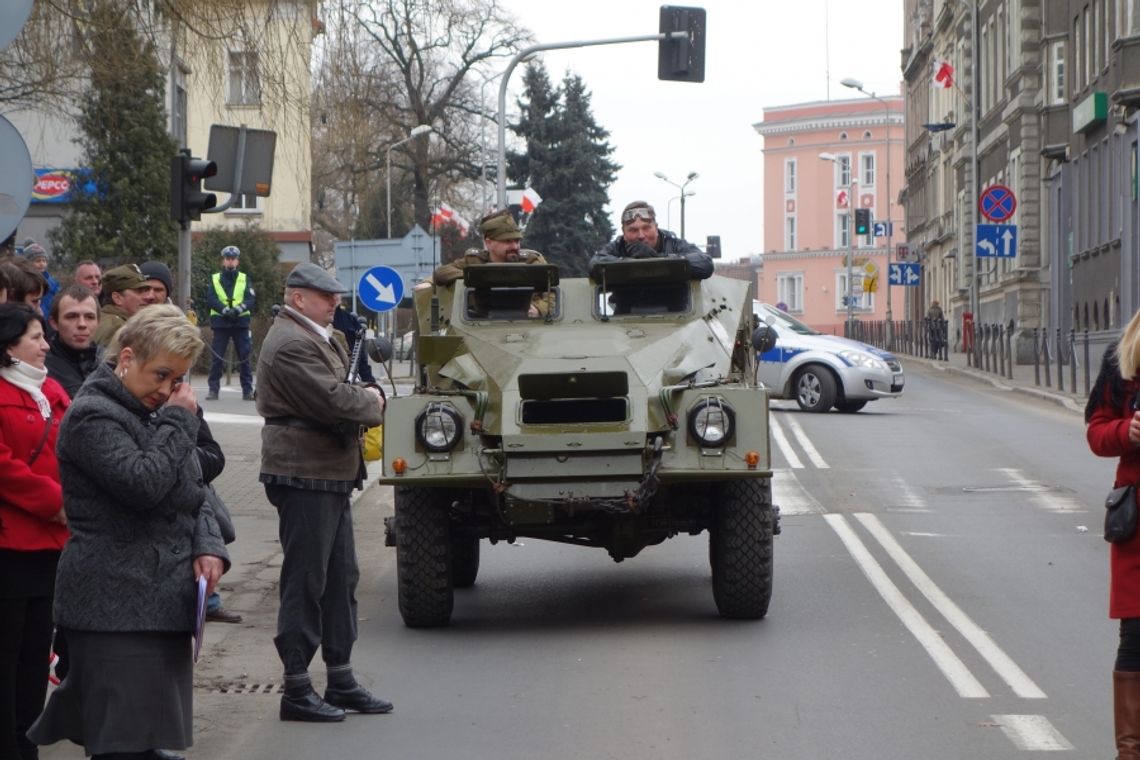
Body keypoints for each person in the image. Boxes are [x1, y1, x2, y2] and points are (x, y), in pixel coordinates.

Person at [28, 304, 229, 759]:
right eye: (160, 375)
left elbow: (194, 487)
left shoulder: (148, 411)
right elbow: (144, 484)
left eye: (177, 380)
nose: (167, 389)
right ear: (126, 358)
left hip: (162, 606)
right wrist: (181, 420)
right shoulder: (92, 415)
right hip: (112, 608)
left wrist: (209, 547)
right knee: (120, 747)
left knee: (151, 744)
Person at [256, 262, 388, 723]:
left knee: (340, 582)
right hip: (303, 471)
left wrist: (363, 394)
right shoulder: (291, 342)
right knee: (305, 583)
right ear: (297, 297)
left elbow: (345, 389)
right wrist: (373, 402)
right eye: (325, 295)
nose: (335, 302)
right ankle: (296, 687)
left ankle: (341, 679)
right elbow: (334, 400)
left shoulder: (320, 336)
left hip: (328, 470)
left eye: (334, 295)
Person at [0, 304, 69, 760]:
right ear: (9, 346)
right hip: (10, 546)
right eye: (35, 337)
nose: (46, 345)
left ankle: (27, 747)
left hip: (52, 548)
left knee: (33, 664)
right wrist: (55, 502)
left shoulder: (53, 390)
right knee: (6, 664)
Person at [1085, 313, 1140, 760]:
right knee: (1136, 637)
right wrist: (1128, 431)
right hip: (1137, 526)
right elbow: (1097, 431)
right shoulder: (1124, 356)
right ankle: (1130, 751)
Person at [430, 210, 553, 318]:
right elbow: (442, 273)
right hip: (482, 326)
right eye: (507, 241)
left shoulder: (532, 262)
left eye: (517, 241)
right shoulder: (475, 261)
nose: (515, 246)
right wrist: (476, 276)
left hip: (527, 327)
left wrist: (538, 309)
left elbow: (554, 294)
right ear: (489, 243)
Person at [588, 200, 714, 280]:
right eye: (633, 230)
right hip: (626, 313)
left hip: (678, 311)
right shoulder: (618, 247)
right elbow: (594, 264)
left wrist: (658, 259)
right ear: (624, 233)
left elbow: (705, 264)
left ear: (656, 228)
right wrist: (628, 262)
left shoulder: (672, 244)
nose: (641, 235)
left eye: (646, 228)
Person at [205, 245, 256, 401]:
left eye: (233, 259)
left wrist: (238, 309)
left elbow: (250, 299)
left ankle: (247, 390)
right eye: (228, 259)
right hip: (221, 323)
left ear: (237, 261)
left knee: (244, 358)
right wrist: (225, 310)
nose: (230, 262)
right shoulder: (214, 279)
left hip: (240, 323)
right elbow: (211, 299)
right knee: (217, 358)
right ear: (223, 261)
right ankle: (213, 390)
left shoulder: (244, 278)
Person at [44, 284, 101, 400]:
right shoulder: (42, 368)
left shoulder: (110, 362)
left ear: (98, 322)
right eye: (71, 316)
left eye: (89, 317)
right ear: (54, 323)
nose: (82, 324)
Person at [91, 264, 155, 349]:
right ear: (117, 298)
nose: (149, 297)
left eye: (146, 290)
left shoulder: (104, 319)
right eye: (139, 291)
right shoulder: (118, 329)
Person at [22, 244, 58, 321]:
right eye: (37, 261)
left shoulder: (52, 282)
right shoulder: (25, 281)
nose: (42, 264)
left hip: (50, 317)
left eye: (44, 261)